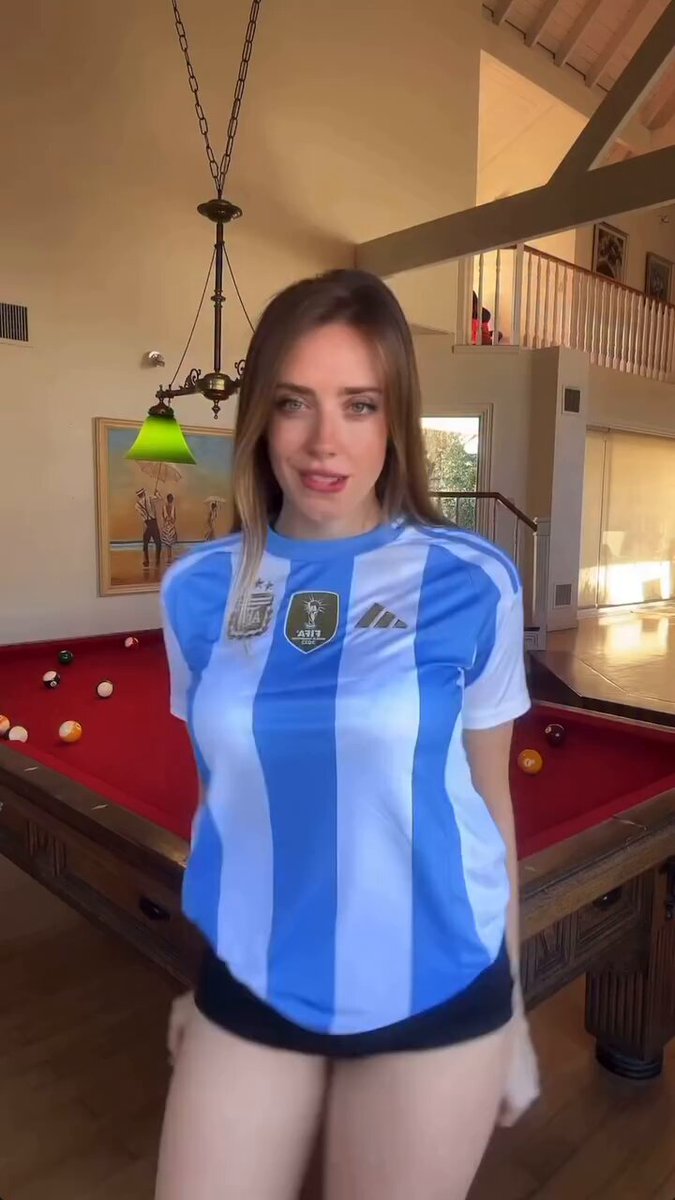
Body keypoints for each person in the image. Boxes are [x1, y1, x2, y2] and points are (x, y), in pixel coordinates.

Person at [155, 268, 539, 1200]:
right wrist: (206, 977)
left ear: (394, 418)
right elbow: (222, 803)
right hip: (250, 983)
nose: (324, 442)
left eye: (359, 405)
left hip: (437, 985)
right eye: (294, 403)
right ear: (260, 416)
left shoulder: (473, 580)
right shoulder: (195, 589)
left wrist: (516, 1012)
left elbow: (490, 808)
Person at [135, 486, 162, 568]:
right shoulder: (149, 498)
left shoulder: (137, 505)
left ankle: (146, 561)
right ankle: (157, 561)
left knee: (145, 542)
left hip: (147, 523)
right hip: (153, 522)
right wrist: (157, 493)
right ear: (144, 493)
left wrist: (146, 522)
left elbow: (142, 515)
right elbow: (159, 499)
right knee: (158, 542)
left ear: (138, 495)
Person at [161, 492, 178, 564]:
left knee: (168, 544)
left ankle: (169, 558)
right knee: (169, 543)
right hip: (170, 526)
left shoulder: (164, 507)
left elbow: (163, 517)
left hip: (166, 526)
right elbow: (174, 518)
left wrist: (166, 520)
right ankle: (169, 558)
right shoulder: (173, 507)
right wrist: (170, 520)